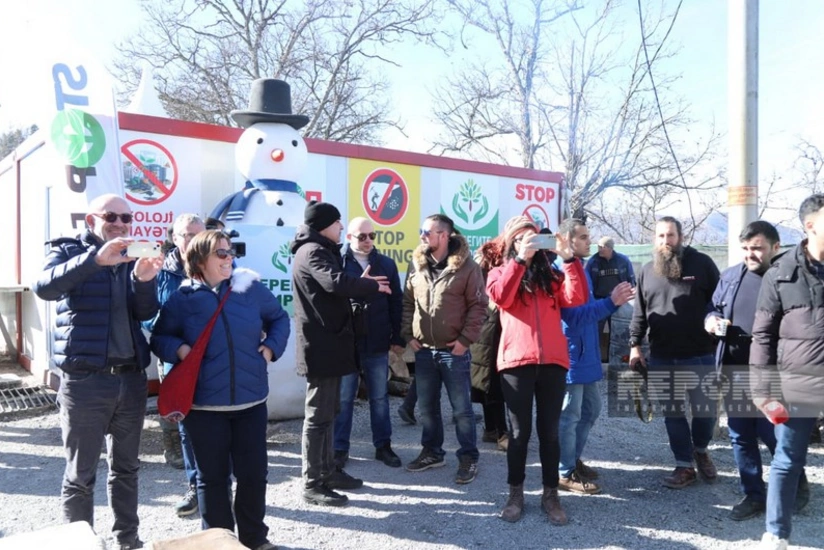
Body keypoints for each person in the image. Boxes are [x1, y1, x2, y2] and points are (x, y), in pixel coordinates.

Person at [32, 193, 163, 550]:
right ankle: (80, 544)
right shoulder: (67, 250)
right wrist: (94, 260)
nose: (120, 223)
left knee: (127, 469)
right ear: (91, 220)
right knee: (80, 475)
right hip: (86, 381)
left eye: (126, 217)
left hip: (130, 378)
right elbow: (44, 287)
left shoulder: (132, 256)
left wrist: (144, 281)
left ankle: (127, 540)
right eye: (111, 216)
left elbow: (144, 313)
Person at [151, 230, 289, 550]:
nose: (229, 259)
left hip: (251, 403)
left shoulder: (250, 288)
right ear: (200, 260)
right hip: (204, 408)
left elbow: (279, 318)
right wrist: (180, 350)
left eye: (230, 252)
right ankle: (217, 543)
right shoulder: (183, 299)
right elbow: (160, 337)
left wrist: (270, 348)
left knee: (253, 476)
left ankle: (255, 540)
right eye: (220, 253)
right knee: (212, 480)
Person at [705, 220, 809, 524]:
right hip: (735, 371)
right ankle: (753, 494)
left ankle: (795, 485)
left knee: (776, 434)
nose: (750, 254)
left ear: (775, 247)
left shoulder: (792, 280)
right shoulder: (730, 276)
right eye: (746, 248)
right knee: (741, 436)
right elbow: (713, 307)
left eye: (757, 248)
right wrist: (710, 320)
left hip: (774, 374)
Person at [486, 215, 587, 524]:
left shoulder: (552, 276)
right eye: (521, 239)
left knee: (550, 433)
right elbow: (501, 297)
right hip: (517, 363)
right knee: (519, 434)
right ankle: (515, 494)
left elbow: (577, 298)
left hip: (553, 363)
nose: (529, 244)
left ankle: (550, 494)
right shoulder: (499, 272)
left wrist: (568, 259)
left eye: (533, 238)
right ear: (511, 243)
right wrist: (520, 260)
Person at [292, 201, 391, 507]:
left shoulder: (321, 249)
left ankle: (328, 471)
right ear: (325, 225)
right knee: (318, 418)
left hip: (331, 347)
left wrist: (360, 291)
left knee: (329, 414)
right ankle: (313, 483)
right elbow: (334, 282)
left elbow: (333, 293)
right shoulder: (312, 251)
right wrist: (367, 286)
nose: (341, 227)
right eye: (337, 223)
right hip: (321, 349)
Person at [749, 194, 824, 550]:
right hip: (798, 384)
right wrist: (762, 391)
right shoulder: (780, 273)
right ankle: (776, 534)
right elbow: (762, 335)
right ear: (811, 225)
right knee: (787, 460)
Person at [629, 216, 720, 489]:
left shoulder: (702, 264)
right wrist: (634, 346)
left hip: (700, 352)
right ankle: (684, 465)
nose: (665, 241)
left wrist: (716, 321)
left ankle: (700, 450)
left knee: (706, 411)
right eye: (661, 236)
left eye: (670, 235)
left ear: (680, 237)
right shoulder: (647, 271)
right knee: (673, 414)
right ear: (654, 239)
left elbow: (720, 302)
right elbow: (639, 313)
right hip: (663, 355)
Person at [401, 214, 486, 484]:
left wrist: (464, 341)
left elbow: (478, 307)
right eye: (422, 231)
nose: (422, 236)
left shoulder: (468, 268)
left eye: (428, 232)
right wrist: (408, 335)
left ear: (444, 235)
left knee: (461, 410)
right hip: (424, 350)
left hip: (454, 352)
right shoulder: (416, 264)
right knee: (427, 408)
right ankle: (432, 452)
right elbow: (407, 303)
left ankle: (468, 457)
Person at [555, 219, 634, 495]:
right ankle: (564, 471)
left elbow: (586, 311)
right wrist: (611, 302)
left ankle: (571, 459)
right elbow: (573, 317)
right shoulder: (561, 270)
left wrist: (610, 302)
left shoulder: (580, 267)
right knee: (570, 415)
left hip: (585, 353)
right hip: (572, 355)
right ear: (567, 240)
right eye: (584, 237)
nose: (590, 241)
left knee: (590, 409)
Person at [143, 213, 206, 517]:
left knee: (220, 424)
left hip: (213, 358)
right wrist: (175, 337)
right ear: (175, 238)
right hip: (178, 357)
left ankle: (220, 485)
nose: (192, 240)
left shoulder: (217, 264)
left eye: (198, 234)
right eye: (186, 234)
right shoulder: (161, 270)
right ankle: (196, 487)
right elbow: (146, 315)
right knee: (187, 425)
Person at [333, 217, 406, 469]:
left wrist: (398, 337)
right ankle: (339, 449)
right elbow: (333, 297)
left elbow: (396, 302)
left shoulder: (386, 264)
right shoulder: (338, 263)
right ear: (349, 237)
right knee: (344, 398)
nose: (368, 241)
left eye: (372, 236)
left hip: (376, 340)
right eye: (362, 236)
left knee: (379, 397)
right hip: (347, 343)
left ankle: (383, 446)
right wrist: (363, 287)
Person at [469, 236, 509, 453]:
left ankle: (491, 429)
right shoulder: (488, 271)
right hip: (489, 333)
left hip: (484, 333)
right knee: (493, 385)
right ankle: (501, 432)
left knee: (486, 383)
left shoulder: (479, 266)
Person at [585, 236, 636, 359]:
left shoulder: (623, 261)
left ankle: (616, 360)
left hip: (619, 304)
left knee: (618, 334)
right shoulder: (593, 262)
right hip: (599, 303)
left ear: (609, 248)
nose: (599, 249)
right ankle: (596, 359)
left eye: (602, 247)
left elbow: (631, 280)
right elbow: (587, 283)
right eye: (598, 247)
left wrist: (631, 298)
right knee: (595, 333)